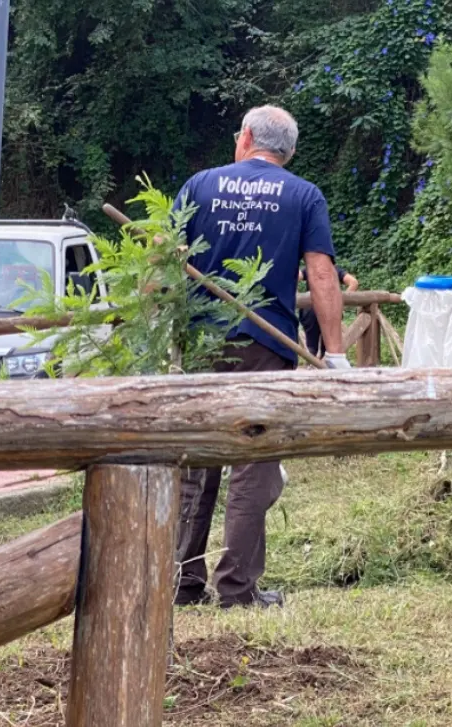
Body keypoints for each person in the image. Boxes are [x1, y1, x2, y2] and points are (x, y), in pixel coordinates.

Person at [172, 105, 347, 609]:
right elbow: (320, 274)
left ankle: (182, 583)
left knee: (196, 461)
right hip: (264, 348)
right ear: (288, 152)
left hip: (203, 343)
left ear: (246, 137)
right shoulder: (303, 195)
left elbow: (167, 260)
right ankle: (236, 590)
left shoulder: (199, 184)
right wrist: (334, 355)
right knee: (252, 463)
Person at [299, 266, 358, 357]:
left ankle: (312, 363)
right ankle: (322, 361)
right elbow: (353, 282)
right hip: (325, 310)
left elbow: (295, 277)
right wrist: (340, 304)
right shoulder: (335, 270)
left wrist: (296, 295)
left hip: (312, 310)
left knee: (313, 347)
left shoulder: (311, 268)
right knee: (327, 348)